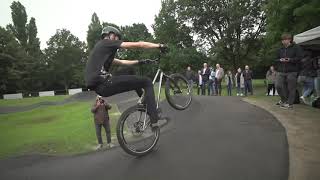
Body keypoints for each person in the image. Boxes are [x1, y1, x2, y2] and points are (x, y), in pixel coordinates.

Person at [85, 26, 168, 129]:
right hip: (105, 83)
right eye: (116, 38)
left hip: (101, 88)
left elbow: (122, 62)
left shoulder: (102, 50)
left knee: (130, 73)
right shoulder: (106, 43)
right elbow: (139, 44)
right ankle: (154, 119)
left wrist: (141, 61)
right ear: (110, 35)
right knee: (147, 82)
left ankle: (145, 102)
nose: (117, 40)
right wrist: (159, 46)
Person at [275, 33, 303, 109]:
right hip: (281, 71)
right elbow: (276, 59)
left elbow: (300, 58)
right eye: (282, 40)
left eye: (285, 39)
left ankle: (290, 104)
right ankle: (284, 100)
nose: (283, 41)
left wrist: (290, 60)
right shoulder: (280, 49)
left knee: (291, 88)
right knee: (278, 86)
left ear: (289, 40)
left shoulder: (296, 47)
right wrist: (280, 60)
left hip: (292, 71)